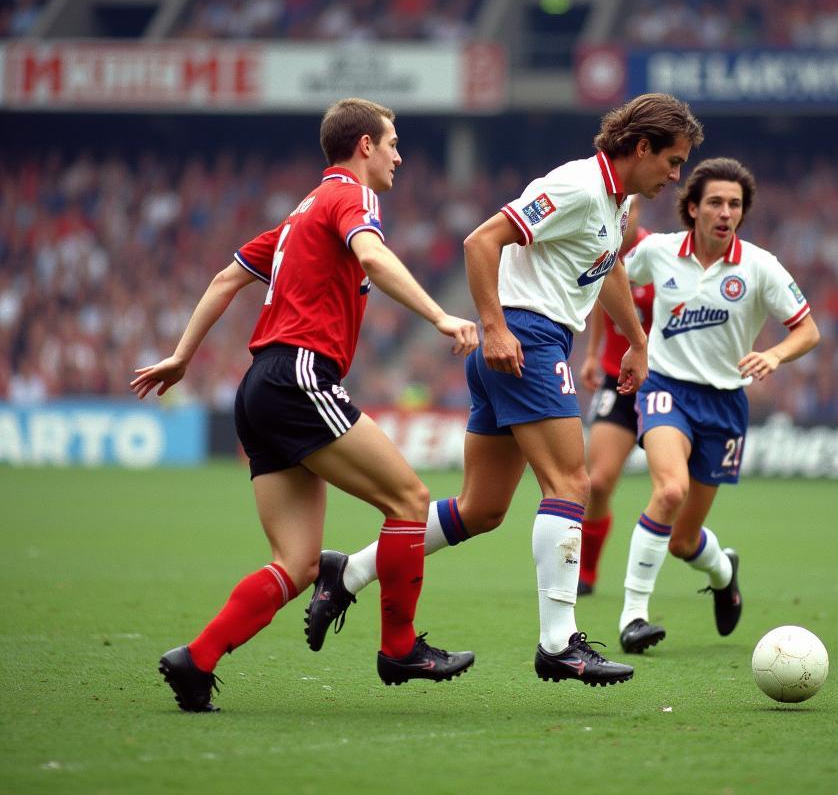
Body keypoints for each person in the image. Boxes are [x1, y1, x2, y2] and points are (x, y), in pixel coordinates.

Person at [305, 93, 705, 686]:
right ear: (641, 147)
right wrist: (493, 326)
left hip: (524, 344)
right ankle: (559, 643)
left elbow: (610, 265)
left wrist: (637, 340)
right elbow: (480, 241)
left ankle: (349, 572)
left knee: (483, 508)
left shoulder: (615, 203)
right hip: (525, 340)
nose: (676, 177)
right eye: (672, 162)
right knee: (571, 483)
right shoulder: (575, 186)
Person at [131, 98, 480, 712]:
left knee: (294, 563)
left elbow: (223, 280)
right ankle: (399, 648)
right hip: (299, 376)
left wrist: (182, 357)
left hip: (258, 387)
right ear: (364, 146)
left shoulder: (297, 216)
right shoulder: (352, 196)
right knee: (409, 501)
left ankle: (196, 659)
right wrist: (440, 315)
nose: (400, 155)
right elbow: (371, 255)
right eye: (393, 142)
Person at [616, 157, 820, 654]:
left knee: (685, 541)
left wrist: (774, 354)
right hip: (666, 387)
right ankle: (633, 617)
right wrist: (634, 337)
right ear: (692, 208)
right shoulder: (659, 252)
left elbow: (808, 330)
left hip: (725, 405)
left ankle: (724, 572)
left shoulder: (760, 266)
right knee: (668, 491)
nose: (726, 212)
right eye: (716, 203)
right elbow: (611, 273)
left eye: (735, 204)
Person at [576, 202, 655, 597]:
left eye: (633, 207)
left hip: (663, 384)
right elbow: (599, 301)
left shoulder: (658, 255)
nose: (627, 213)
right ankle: (586, 573)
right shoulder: (604, 249)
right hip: (616, 379)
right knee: (599, 481)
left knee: (675, 490)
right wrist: (593, 353)